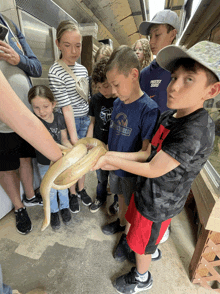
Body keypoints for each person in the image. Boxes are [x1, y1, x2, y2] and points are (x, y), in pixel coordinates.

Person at [92, 40, 220, 293]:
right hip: (144, 193)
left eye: (189, 80)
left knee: (141, 244)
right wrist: (107, 155)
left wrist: (108, 160)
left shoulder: (195, 131)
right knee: (138, 236)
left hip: (158, 204)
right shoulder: (170, 116)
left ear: (212, 90)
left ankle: (142, 277)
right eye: (174, 78)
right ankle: (146, 250)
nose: (173, 87)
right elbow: (147, 154)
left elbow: (153, 169)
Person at [100, 45, 160, 263]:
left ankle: (127, 237)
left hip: (131, 171)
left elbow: (146, 153)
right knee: (120, 197)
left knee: (131, 204)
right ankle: (122, 223)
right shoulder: (117, 103)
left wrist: (113, 159)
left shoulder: (148, 109)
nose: (114, 91)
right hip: (114, 167)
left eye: (116, 84)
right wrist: (105, 153)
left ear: (134, 74)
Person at [0, 14, 43, 235]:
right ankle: (19, 208)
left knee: (25, 158)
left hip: (26, 114)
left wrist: (18, 60)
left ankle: (31, 196)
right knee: (6, 167)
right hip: (1, 121)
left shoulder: (10, 24)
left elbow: (37, 68)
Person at [48, 20, 92, 214]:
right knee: (72, 159)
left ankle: (81, 189)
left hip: (84, 119)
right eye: (67, 45)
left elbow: (86, 99)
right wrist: (74, 139)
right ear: (58, 44)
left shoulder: (83, 69)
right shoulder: (55, 71)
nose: (74, 51)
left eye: (78, 45)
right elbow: (66, 108)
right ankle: (72, 192)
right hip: (69, 123)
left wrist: (90, 123)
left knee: (85, 158)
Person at [28, 85, 72, 230]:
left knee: (62, 186)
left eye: (45, 106)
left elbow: (64, 139)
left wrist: (72, 150)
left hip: (61, 162)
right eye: (36, 108)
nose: (41, 111)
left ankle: (65, 207)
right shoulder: (34, 122)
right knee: (49, 190)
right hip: (44, 163)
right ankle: (53, 211)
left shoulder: (59, 118)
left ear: (53, 104)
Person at [86, 57, 116, 213]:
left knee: (117, 178)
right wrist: (90, 144)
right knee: (101, 176)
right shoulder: (96, 99)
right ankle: (100, 197)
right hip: (99, 145)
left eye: (106, 86)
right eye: (99, 87)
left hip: (115, 147)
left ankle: (117, 201)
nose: (103, 91)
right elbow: (92, 123)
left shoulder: (120, 100)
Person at [139, 9, 180, 113]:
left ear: (172, 35)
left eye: (157, 35)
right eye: (150, 36)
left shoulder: (183, 72)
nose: (151, 41)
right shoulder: (144, 75)